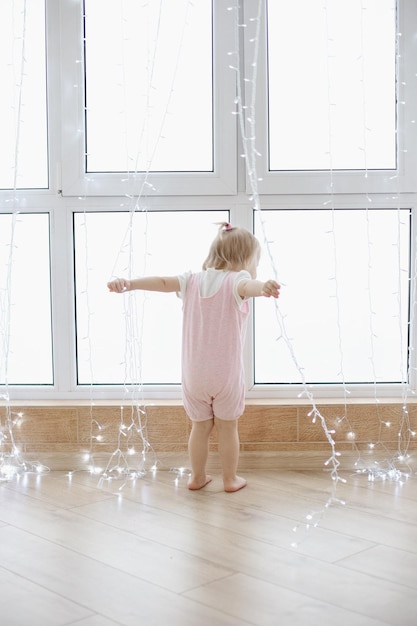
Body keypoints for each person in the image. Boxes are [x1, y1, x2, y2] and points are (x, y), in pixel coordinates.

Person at [107, 222, 280, 492]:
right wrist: (264, 287)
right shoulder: (237, 281)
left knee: (199, 427)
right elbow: (250, 287)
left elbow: (163, 282)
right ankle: (230, 479)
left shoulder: (192, 280)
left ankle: (197, 477)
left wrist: (129, 284)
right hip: (225, 374)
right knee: (227, 427)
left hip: (193, 374)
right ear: (245, 259)